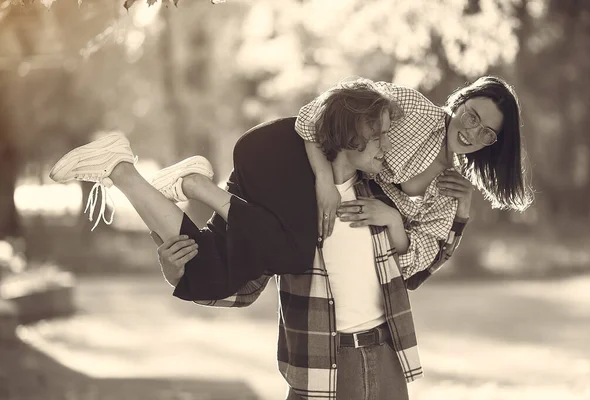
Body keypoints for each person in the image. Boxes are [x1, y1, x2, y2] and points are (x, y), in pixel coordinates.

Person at [48, 81, 473, 399]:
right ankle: (173, 180)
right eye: (378, 136)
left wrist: (441, 213)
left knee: (227, 266)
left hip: (386, 362)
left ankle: (138, 173)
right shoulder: (294, 190)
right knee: (283, 251)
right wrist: (178, 271)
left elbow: (420, 262)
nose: (388, 146)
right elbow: (247, 284)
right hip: (320, 365)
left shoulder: (378, 196)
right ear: (350, 135)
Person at [295, 76, 532, 281]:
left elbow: (414, 267)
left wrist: (393, 220)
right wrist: (324, 179)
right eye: (472, 118)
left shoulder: (451, 189)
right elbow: (316, 113)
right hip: (309, 202)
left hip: (357, 260)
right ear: (459, 103)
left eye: (486, 133)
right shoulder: (411, 108)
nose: (472, 133)